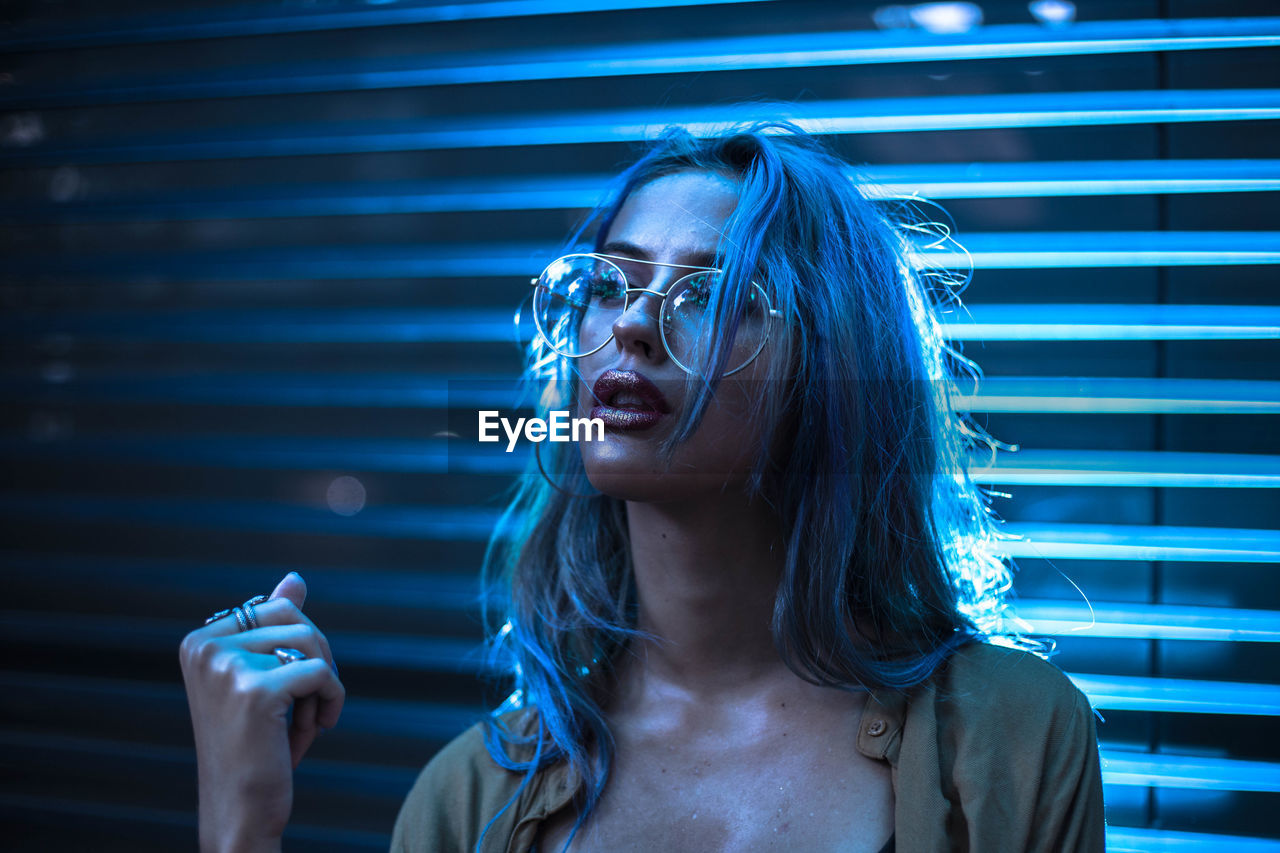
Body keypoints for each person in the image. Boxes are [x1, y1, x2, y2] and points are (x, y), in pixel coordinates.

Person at [180, 122, 1105, 852]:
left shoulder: (1009, 739)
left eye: (707, 291)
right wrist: (241, 827)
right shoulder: (470, 799)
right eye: (611, 285)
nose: (630, 328)